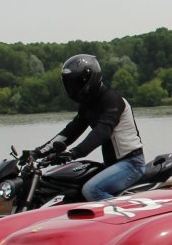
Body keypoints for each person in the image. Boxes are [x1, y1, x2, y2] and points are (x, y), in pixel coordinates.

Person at [36, 54, 145, 202]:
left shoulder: (112, 99)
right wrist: (39, 152)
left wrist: (74, 153)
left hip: (131, 163)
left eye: (76, 83)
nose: (72, 88)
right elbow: (71, 131)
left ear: (89, 79)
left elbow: (102, 131)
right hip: (112, 165)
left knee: (92, 190)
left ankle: (122, 214)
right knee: (74, 187)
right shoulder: (88, 104)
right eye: (69, 84)